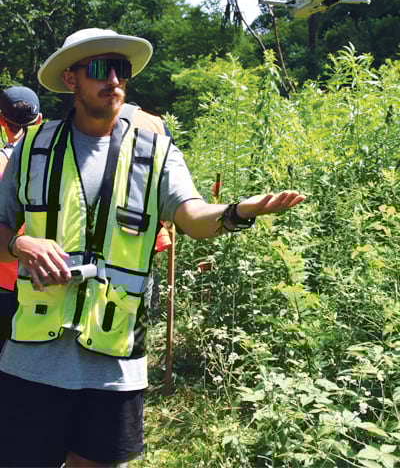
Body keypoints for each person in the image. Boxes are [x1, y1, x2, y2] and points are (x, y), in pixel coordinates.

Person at [0, 28, 305, 468]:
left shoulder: (157, 151)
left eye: (121, 70)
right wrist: (19, 242)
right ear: (71, 80)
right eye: (101, 69)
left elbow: (194, 217)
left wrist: (238, 211)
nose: (115, 81)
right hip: (30, 360)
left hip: (114, 363)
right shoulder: (31, 148)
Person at [0, 86, 42, 351]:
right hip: (44, 282)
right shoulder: (57, 162)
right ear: (39, 119)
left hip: (3, 283)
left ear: (2, 121)